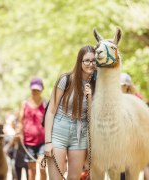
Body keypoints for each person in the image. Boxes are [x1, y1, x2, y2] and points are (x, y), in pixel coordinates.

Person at [44, 45, 96, 180]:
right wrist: (48, 142)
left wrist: (90, 98)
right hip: (59, 131)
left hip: (80, 135)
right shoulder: (65, 79)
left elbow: (91, 118)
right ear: (80, 61)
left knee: (75, 177)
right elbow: (50, 111)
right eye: (87, 60)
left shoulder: (96, 85)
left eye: (94, 61)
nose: (91, 64)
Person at [18, 77, 47, 180]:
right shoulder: (24, 104)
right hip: (28, 142)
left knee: (42, 167)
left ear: (41, 90)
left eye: (37, 90)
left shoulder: (45, 103)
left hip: (43, 141)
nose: (35, 92)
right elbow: (20, 121)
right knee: (31, 169)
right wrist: (20, 134)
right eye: (33, 89)